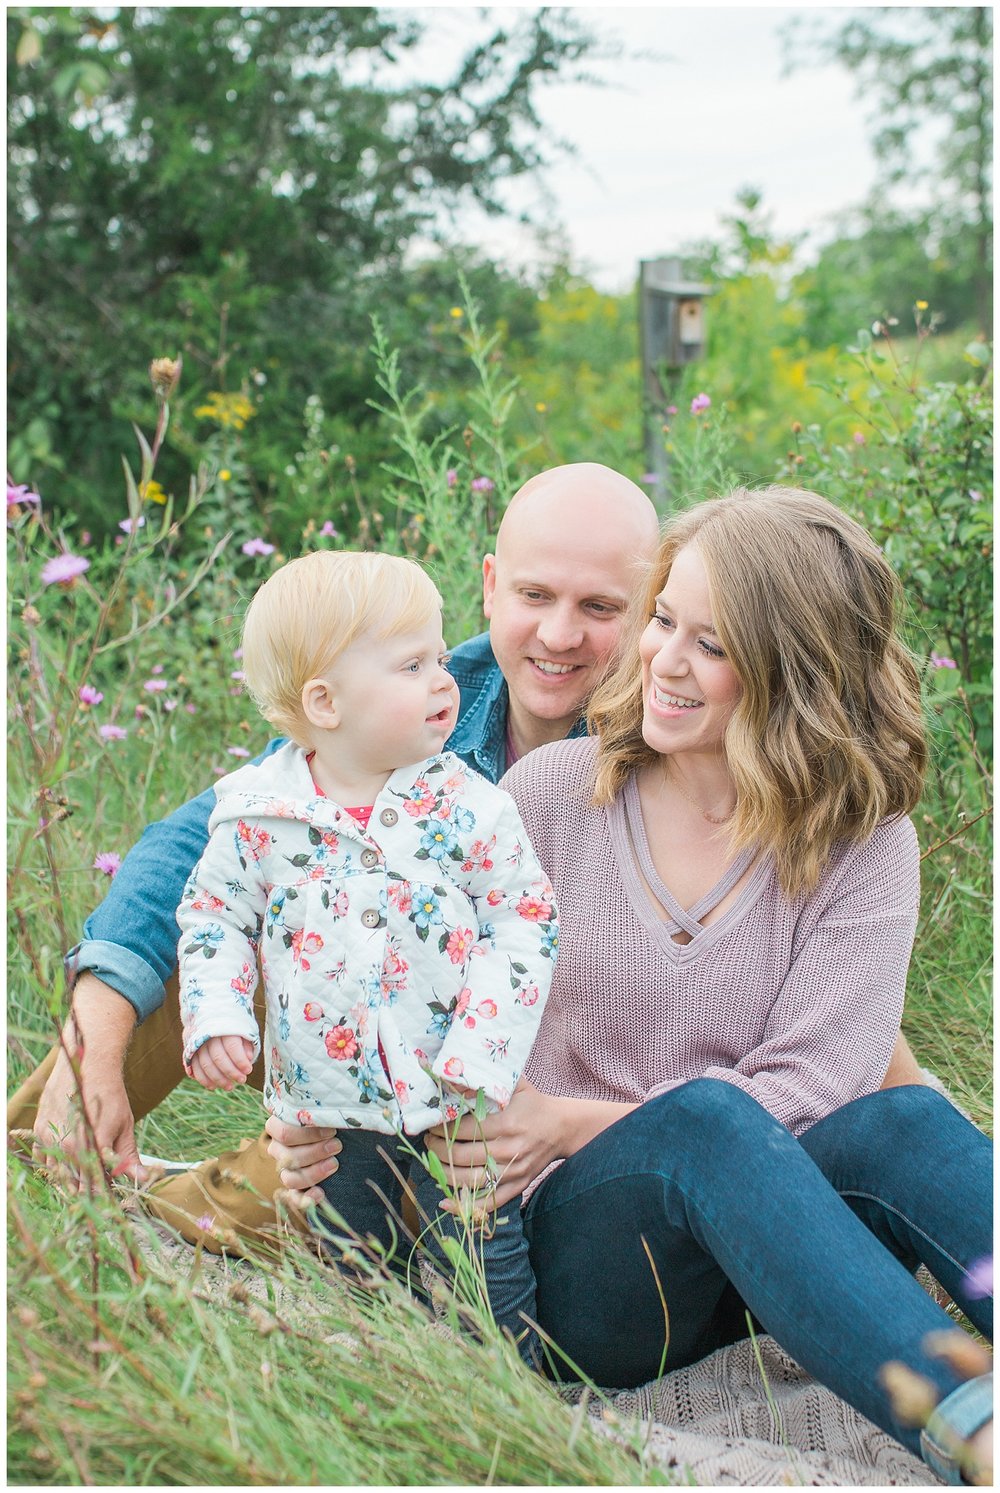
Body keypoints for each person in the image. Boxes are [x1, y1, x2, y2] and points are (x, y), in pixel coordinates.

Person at [268, 487, 993, 1482]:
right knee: (704, 1119)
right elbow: (399, 995)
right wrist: (310, 1105)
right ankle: (976, 1431)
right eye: (662, 621)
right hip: (586, 1266)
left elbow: (821, 1082)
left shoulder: (863, 843)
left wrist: (571, 1115)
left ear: (796, 670)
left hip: (765, 1252)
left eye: (714, 642)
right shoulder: (548, 797)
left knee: (901, 1120)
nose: (664, 658)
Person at [11, 462, 924, 1247]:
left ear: (653, 606)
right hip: (369, 1038)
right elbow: (207, 837)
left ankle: (218, 1201)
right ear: (490, 586)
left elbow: (818, 1005)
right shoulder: (415, 703)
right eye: (535, 597)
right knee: (224, 928)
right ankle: (44, 1170)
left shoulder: (702, 741)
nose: (561, 635)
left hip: (528, 1106)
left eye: (603, 607)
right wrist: (98, 1028)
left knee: (864, 1057)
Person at [176, 549, 556, 1361]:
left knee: (481, 1255)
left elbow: (524, 917)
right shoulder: (259, 815)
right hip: (327, 1101)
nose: (445, 677)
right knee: (349, 1258)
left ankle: (504, 1389)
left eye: (440, 653)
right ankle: (370, 1371)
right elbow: (214, 914)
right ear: (326, 701)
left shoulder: (463, 804)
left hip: (455, 1089)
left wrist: (483, 1050)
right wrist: (216, 1013)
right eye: (414, 663)